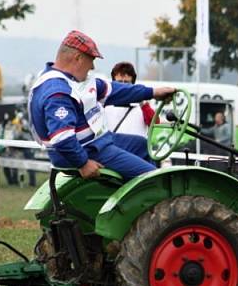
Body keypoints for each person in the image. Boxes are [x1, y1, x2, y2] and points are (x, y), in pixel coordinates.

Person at [29, 30, 175, 181]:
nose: (92, 67)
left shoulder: (72, 81)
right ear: (78, 58)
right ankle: (151, 196)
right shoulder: (58, 92)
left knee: (142, 145)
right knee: (156, 179)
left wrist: (152, 92)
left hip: (95, 143)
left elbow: (115, 90)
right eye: (91, 59)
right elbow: (63, 138)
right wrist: (83, 163)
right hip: (87, 151)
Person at [104, 61, 155, 137]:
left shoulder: (142, 104)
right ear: (113, 83)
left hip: (136, 148)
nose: (123, 86)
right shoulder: (104, 104)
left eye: (127, 83)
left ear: (133, 84)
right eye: (120, 82)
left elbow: (155, 123)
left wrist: (143, 104)